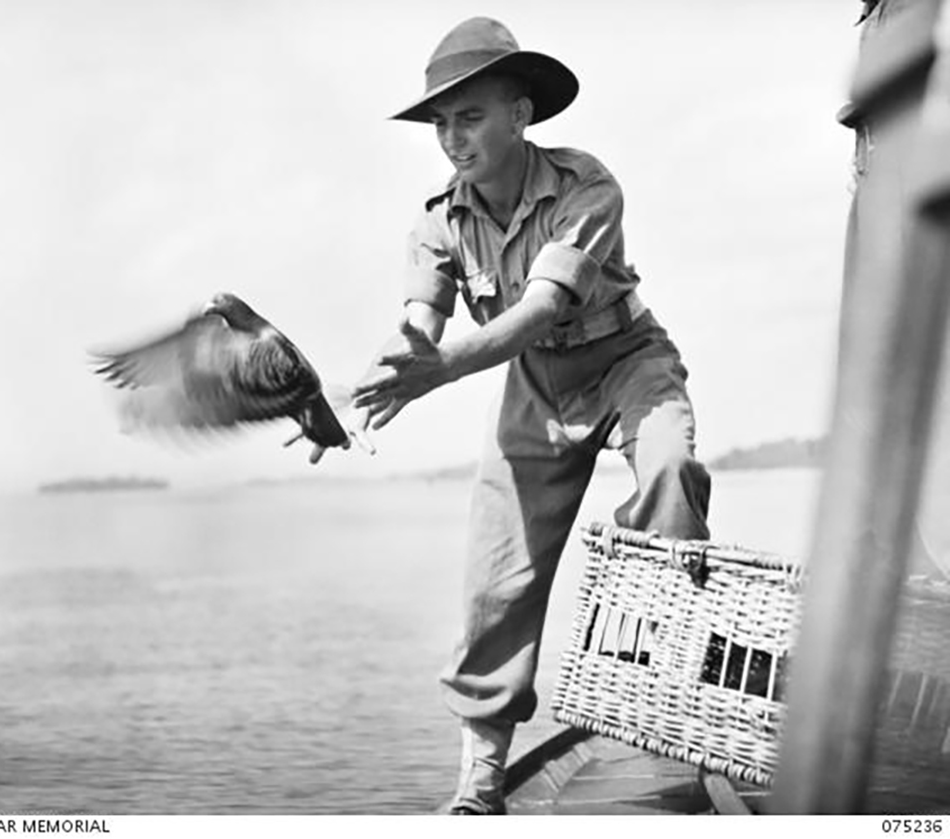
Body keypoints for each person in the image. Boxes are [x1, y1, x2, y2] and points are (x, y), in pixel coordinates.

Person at [300, 17, 712, 814]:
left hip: (626, 359)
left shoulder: (586, 187)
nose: (453, 139)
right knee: (496, 579)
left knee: (670, 469)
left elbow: (541, 307)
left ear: (520, 115)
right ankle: (481, 778)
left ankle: (673, 686)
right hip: (535, 386)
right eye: (441, 123)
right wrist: (350, 396)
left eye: (471, 117)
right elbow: (419, 329)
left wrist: (440, 370)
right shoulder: (438, 222)